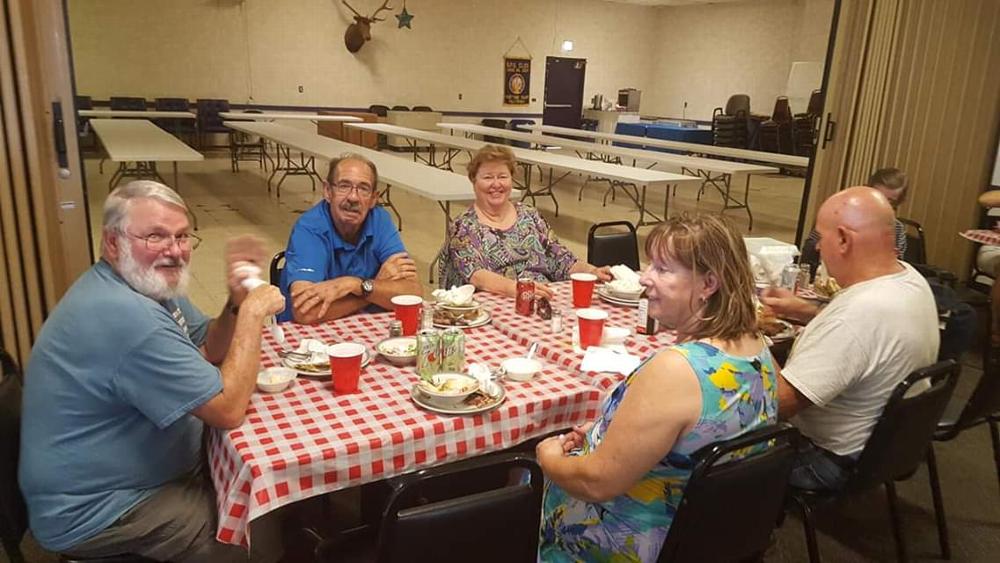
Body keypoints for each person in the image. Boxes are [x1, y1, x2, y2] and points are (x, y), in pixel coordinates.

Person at [19, 181, 286, 562]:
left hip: (136, 474)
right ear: (112, 243)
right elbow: (228, 408)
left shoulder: (147, 285)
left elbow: (209, 346)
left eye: (182, 236)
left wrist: (235, 302)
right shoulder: (125, 314)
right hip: (100, 509)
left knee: (254, 485)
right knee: (252, 529)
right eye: (155, 236)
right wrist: (252, 314)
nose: (174, 251)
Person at [536, 213, 778, 562]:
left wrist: (548, 460)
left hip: (625, 543)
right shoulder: (757, 347)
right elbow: (699, 434)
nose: (644, 277)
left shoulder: (678, 369)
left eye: (663, 269)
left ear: (709, 283)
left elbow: (596, 481)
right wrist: (609, 433)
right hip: (711, 537)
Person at [762, 186, 939, 490]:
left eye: (821, 238)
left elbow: (776, 403)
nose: (818, 248)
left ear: (844, 239)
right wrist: (805, 311)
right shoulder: (909, 279)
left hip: (824, 459)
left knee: (701, 435)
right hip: (883, 451)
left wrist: (750, 335)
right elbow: (866, 339)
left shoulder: (857, 314)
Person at [440, 144, 611, 299]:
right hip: (496, 303)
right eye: (488, 177)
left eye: (502, 176)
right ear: (474, 181)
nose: (496, 184)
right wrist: (518, 289)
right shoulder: (464, 227)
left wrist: (591, 271)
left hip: (542, 297)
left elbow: (561, 258)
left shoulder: (530, 215)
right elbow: (477, 275)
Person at [279, 153, 421, 323]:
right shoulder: (309, 228)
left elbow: (413, 292)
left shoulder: (380, 220)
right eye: (344, 186)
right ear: (327, 191)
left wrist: (355, 284)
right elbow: (306, 312)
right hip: (310, 334)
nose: (353, 197)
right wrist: (369, 288)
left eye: (363, 188)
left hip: (366, 328)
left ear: (374, 199)